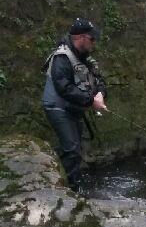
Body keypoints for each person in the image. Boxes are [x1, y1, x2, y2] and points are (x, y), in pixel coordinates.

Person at [43, 18, 108, 193]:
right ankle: (70, 192)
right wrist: (90, 102)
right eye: (92, 39)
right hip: (57, 107)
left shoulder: (85, 58)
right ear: (80, 37)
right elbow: (64, 88)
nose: (94, 42)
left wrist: (100, 94)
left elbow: (100, 79)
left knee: (74, 149)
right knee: (72, 149)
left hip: (73, 108)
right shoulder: (61, 58)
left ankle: (62, 179)